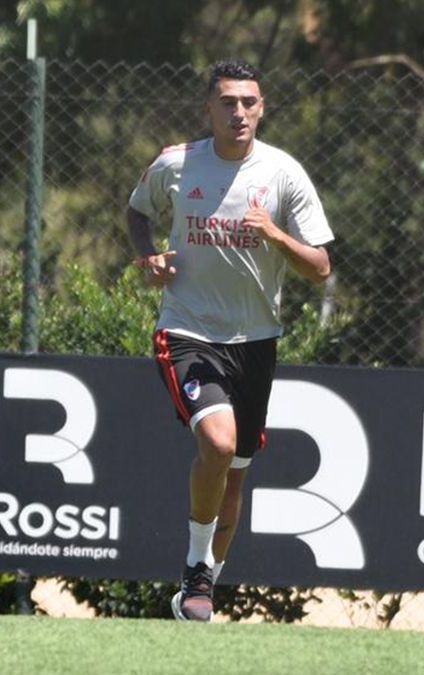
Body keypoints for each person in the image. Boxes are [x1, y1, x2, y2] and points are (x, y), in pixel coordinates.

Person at [127, 60, 334, 621]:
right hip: (188, 330)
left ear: (262, 108)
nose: (238, 112)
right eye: (227, 102)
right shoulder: (177, 163)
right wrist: (149, 258)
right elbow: (137, 211)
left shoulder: (284, 174)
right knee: (216, 446)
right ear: (209, 110)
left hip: (255, 343)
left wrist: (274, 234)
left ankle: (200, 589)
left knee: (235, 478)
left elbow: (320, 266)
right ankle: (196, 567)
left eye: (248, 102)